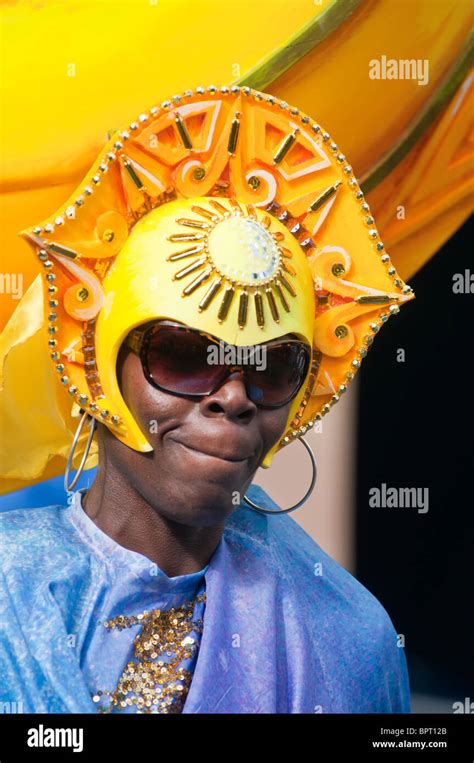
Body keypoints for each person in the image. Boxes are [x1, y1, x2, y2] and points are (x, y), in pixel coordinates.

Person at [0, 84, 414, 714]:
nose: (232, 397)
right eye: (185, 356)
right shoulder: (9, 588)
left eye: (273, 367)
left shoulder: (353, 642)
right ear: (97, 367)